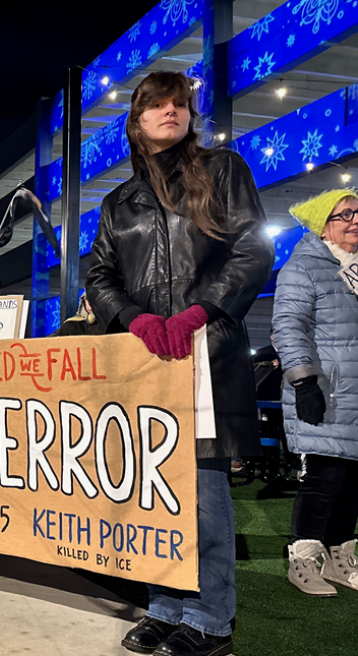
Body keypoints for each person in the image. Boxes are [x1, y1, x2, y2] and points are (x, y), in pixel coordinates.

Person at [86, 71, 273, 656]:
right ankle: (165, 608)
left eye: (179, 103)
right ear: (137, 120)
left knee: (203, 494)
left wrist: (199, 312)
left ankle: (211, 620)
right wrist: (134, 319)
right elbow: (99, 276)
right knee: (153, 491)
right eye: (157, 104)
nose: (171, 110)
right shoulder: (118, 203)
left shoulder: (223, 170)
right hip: (144, 362)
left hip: (206, 354)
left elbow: (253, 248)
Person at [273, 188, 358, 597]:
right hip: (327, 392)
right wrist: (304, 381)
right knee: (324, 478)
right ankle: (303, 561)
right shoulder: (303, 267)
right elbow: (288, 325)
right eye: (344, 215)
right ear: (323, 226)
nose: (355, 220)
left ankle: (340, 559)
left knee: (354, 481)